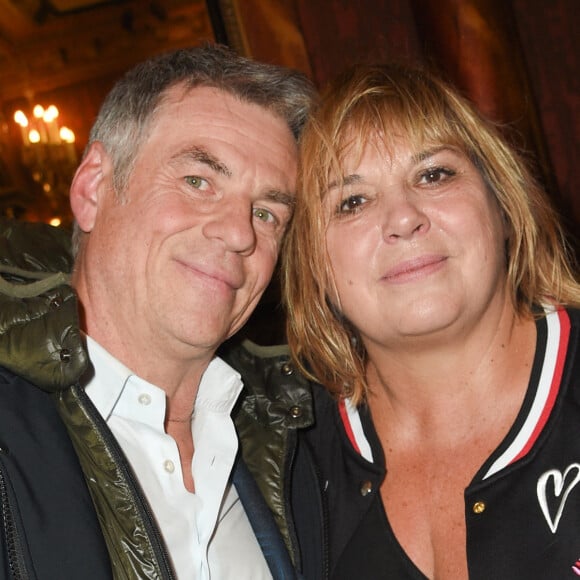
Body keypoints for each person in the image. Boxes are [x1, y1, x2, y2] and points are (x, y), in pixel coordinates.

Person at [0, 43, 315, 579]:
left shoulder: (297, 436)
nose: (239, 233)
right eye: (199, 181)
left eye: (266, 213)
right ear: (94, 186)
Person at [283, 63, 580, 579]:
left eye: (433, 174)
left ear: (503, 202)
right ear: (311, 264)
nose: (402, 218)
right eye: (352, 202)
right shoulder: (285, 459)